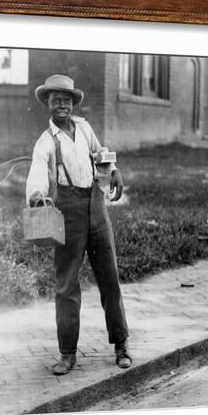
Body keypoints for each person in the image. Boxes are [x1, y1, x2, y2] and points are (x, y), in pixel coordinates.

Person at [26, 74, 132, 375]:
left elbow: (101, 155)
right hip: (68, 216)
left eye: (67, 99)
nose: (62, 103)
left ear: (73, 103)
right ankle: (68, 353)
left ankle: (122, 343)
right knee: (66, 286)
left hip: (97, 211)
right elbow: (36, 173)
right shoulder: (46, 142)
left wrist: (113, 171)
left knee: (110, 280)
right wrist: (36, 195)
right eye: (56, 98)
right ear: (47, 103)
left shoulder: (84, 128)